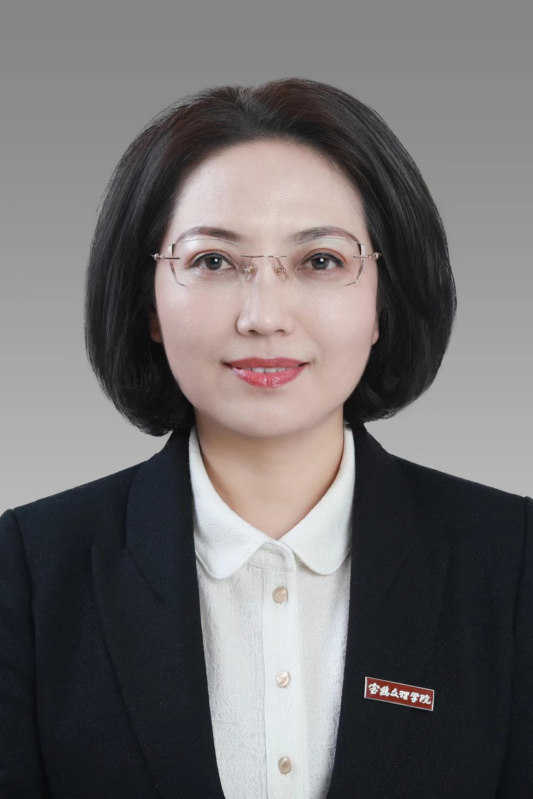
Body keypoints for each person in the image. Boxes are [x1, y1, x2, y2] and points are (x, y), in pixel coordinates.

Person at [0, 77, 530, 799]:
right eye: (213, 261)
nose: (264, 316)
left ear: (384, 298)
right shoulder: (31, 568)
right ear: (148, 302)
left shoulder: (513, 560)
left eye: (320, 261)